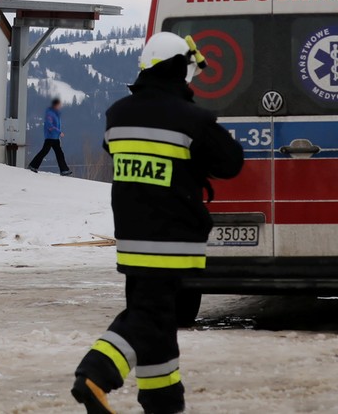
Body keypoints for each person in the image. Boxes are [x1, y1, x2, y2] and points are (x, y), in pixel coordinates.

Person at [71, 32, 244, 414]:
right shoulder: (191, 119)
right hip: (173, 238)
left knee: (158, 321)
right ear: (179, 68)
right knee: (149, 319)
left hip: (132, 237)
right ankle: (95, 374)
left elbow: (121, 151)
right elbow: (231, 162)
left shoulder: (117, 113)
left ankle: (162, 401)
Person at [29, 97, 73, 176]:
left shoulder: (56, 114)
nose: (60, 106)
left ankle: (64, 170)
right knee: (44, 152)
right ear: (55, 105)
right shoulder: (50, 114)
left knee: (59, 153)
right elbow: (49, 125)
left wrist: (58, 134)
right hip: (50, 137)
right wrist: (59, 132)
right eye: (59, 105)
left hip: (55, 138)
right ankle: (33, 166)